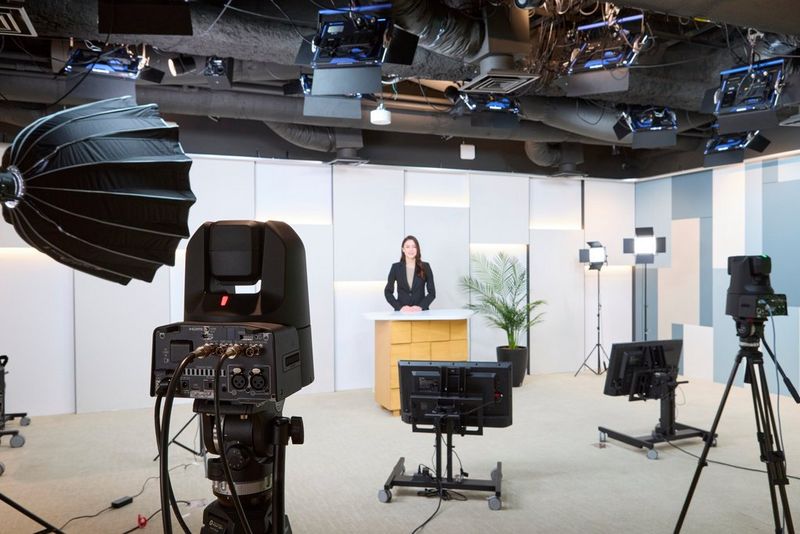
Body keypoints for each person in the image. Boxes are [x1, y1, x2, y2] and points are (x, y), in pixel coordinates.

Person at [384, 235, 435, 312]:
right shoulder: (395, 267)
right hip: (401, 313)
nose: (411, 249)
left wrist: (420, 307)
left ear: (417, 249)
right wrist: (399, 307)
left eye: (414, 247)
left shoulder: (425, 266)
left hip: (421, 313)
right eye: (407, 247)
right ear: (403, 249)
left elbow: (432, 293)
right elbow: (388, 292)